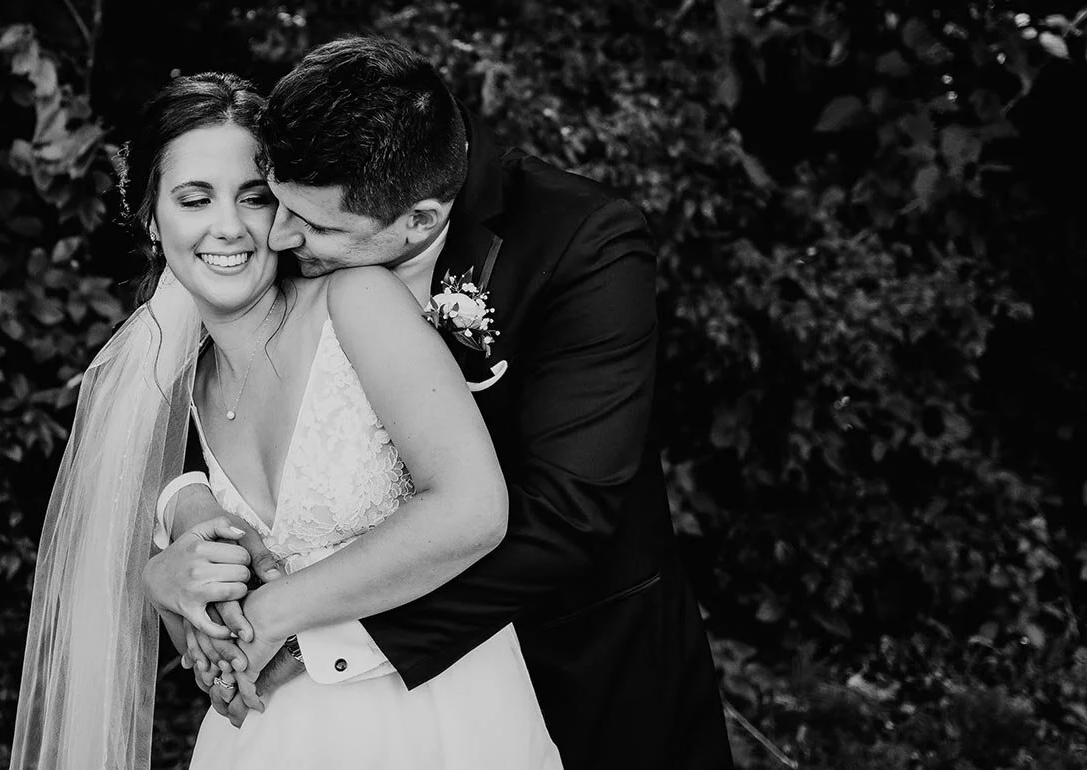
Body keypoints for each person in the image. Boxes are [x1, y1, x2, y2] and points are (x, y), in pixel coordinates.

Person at [148, 38, 734, 769]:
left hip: (574, 657)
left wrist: (299, 629)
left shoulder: (582, 242)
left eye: (316, 227)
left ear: (420, 221)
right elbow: (232, 390)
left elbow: (564, 512)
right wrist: (182, 514)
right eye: (277, 202)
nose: (278, 235)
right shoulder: (317, 181)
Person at [9, 71, 561, 770]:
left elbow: (473, 510)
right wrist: (169, 590)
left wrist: (273, 615)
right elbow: (217, 660)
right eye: (194, 199)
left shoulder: (356, 301)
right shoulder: (178, 395)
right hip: (272, 734)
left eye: (255, 197)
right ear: (151, 218)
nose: (230, 227)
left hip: (437, 715)